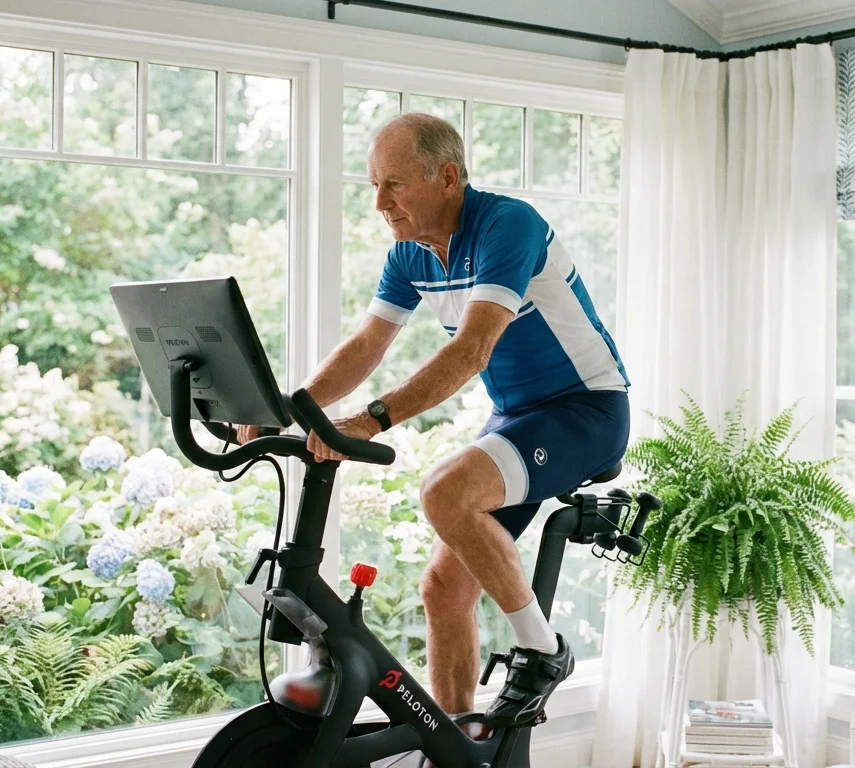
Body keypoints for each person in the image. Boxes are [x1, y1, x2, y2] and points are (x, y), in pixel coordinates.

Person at [238, 112, 629, 730]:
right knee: (444, 589)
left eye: (394, 184)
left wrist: (371, 420)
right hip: (518, 417)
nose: (380, 203)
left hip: (587, 409)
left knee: (445, 491)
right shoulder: (410, 254)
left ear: (447, 177)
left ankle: (544, 650)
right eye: (374, 185)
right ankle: (456, 744)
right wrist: (286, 409)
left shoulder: (508, 225)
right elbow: (367, 346)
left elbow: (472, 351)